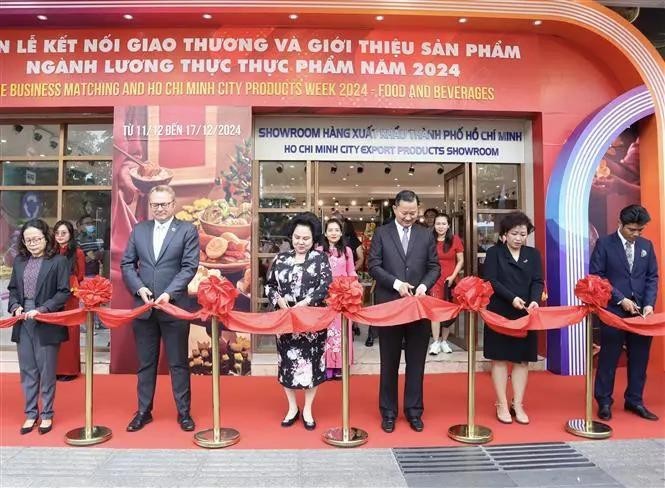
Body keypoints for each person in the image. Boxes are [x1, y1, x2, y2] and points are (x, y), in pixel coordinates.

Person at [120, 185, 200, 432]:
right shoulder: (139, 229)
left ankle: (184, 413)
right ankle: (143, 411)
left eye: (164, 204)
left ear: (173, 204)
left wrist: (168, 293)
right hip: (144, 308)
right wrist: (138, 288)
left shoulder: (187, 230)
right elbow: (126, 264)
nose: (160, 208)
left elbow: (189, 266)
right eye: (155, 204)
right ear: (149, 205)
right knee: (145, 364)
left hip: (174, 307)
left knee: (178, 363)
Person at [368, 190, 440, 433]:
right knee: (389, 361)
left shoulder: (425, 234)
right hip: (390, 305)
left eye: (413, 212)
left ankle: (414, 410)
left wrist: (423, 286)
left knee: (416, 362)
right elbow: (374, 265)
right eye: (405, 212)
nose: (409, 217)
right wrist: (396, 284)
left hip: (418, 306)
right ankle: (388, 412)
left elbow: (434, 266)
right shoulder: (382, 233)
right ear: (395, 209)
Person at [590, 204, 659, 421]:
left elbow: (652, 277)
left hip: (641, 314)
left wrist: (648, 304)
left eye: (640, 230)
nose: (636, 234)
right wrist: (620, 299)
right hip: (613, 311)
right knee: (609, 357)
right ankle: (604, 400)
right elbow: (597, 276)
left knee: (639, 358)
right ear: (620, 224)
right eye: (631, 230)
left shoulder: (647, 245)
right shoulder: (604, 244)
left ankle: (635, 400)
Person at [265, 213, 333, 430]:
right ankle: (292, 407)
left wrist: (306, 302)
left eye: (305, 238)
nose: (300, 242)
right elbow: (269, 286)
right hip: (286, 321)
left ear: (313, 239)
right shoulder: (281, 259)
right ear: (291, 237)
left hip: (311, 322)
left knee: (312, 366)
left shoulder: (320, 259)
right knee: (287, 364)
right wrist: (278, 299)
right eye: (297, 237)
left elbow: (326, 286)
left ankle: (308, 409)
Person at [7, 219, 71, 435]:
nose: (32, 243)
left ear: (46, 238)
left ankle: (47, 414)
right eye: (28, 240)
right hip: (23, 320)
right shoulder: (19, 261)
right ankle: (31, 413)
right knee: (27, 370)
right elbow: (13, 289)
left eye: (37, 239)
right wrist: (15, 305)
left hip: (46, 321)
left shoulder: (59, 261)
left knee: (46, 370)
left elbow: (63, 292)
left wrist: (43, 309)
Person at [482, 211, 543, 425]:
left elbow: (538, 281)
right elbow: (491, 281)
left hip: (525, 313)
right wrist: (512, 298)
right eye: (514, 233)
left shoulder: (533, 254)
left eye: (523, 234)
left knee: (521, 360)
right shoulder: (494, 254)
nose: (518, 238)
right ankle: (501, 402)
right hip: (500, 311)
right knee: (499, 358)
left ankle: (518, 403)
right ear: (504, 235)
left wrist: (534, 300)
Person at [319, 217, 357, 380]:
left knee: (342, 330)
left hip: (343, 296)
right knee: (327, 331)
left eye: (336, 230)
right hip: (326, 295)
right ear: (326, 233)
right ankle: (327, 366)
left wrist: (354, 289)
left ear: (341, 233)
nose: (333, 233)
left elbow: (352, 272)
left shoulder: (347, 251)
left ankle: (341, 365)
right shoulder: (319, 251)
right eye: (330, 230)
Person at [53, 220, 85, 381]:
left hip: (70, 296)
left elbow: (80, 276)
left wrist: (68, 280)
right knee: (53, 331)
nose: (60, 236)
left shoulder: (77, 252)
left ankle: (69, 370)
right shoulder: (50, 251)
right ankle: (55, 369)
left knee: (70, 332)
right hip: (52, 296)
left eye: (63, 233)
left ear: (70, 234)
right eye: (57, 233)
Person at [428, 213, 464, 355]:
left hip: (450, 280)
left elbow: (460, 260)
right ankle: (436, 342)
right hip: (434, 280)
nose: (441, 226)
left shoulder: (455, 240)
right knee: (436, 312)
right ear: (434, 225)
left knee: (448, 312)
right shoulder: (430, 240)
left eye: (443, 224)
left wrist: (453, 276)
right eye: (438, 224)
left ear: (448, 225)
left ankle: (444, 341)